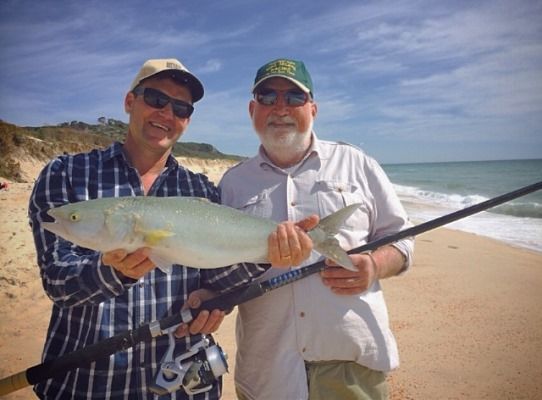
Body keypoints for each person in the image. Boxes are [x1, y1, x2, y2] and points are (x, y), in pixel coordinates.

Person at [28, 58, 313, 399]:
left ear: (187, 121)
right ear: (130, 101)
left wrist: (225, 293)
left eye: (180, 108)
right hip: (88, 384)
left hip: (181, 384)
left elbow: (216, 279)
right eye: (156, 99)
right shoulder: (67, 174)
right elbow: (58, 280)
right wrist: (109, 270)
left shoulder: (203, 191)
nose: (167, 113)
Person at [219, 58, 415, 400]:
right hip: (268, 372)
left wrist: (374, 266)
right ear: (253, 109)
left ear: (313, 108)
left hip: (351, 367)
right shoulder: (233, 183)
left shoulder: (357, 163)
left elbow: (402, 240)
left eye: (294, 97)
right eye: (267, 97)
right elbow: (220, 269)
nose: (280, 107)